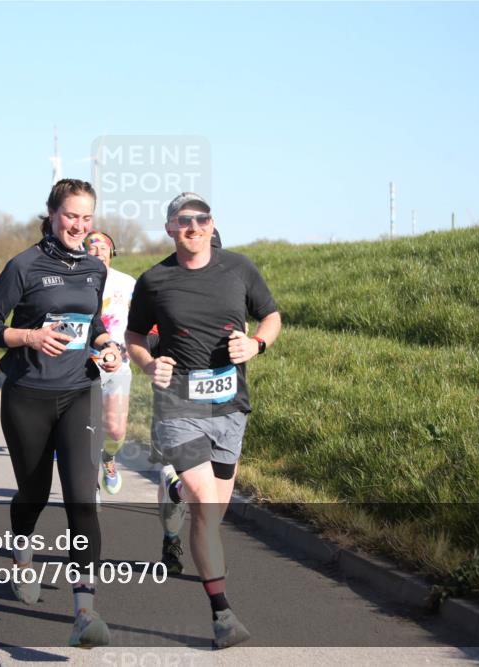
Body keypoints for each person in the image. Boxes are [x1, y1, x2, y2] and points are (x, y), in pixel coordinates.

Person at [126, 193, 281, 649]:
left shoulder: (239, 269)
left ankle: (174, 492)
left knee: (212, 512)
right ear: (170, 228)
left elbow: (271, 317)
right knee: (206, 505)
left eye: (202, 218)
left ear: (212, 225)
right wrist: (148, 364)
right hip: (179, 406)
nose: (194, 226)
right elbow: (134, 335)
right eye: (184, 220)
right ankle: (222, 614)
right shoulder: (154, 280)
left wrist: (256, 345)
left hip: (230, 408)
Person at [0, 179, 122, 648]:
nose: (79, 226)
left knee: (82, 499)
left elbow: (92, 321)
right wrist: (31, 337)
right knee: (34, 493)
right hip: (29, 395)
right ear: (52, 214)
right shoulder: (23, 265)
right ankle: (22, 553)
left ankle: (85, 612)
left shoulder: (94, 268)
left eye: (86, 218)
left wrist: (107, 346)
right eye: (70, 216)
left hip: (80, 390)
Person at [84, 231, 137, 499]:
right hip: (82, 366)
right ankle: (89, 485)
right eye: (91, 248)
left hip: (118, 365)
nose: (97, 253)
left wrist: (135, 346)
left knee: (115, 431)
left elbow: (141, 323)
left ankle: (108, 457)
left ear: (112, 253)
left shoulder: (127, 283)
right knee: (87, 429)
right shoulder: (75, 281)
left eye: (103, 248)